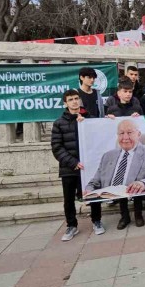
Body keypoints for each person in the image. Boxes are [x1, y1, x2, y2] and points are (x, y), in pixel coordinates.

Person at [87, 119, 145, 229]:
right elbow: (95, 180)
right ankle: (124, 217)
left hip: (138, 189)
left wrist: (143, 183)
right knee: (120, 185)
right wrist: (88, 189)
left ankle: (138, 215)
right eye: (121, 133)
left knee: (134, 183)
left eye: (129, 133)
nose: (125, 137)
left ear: (138, 134)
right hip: (115, 191)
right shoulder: (108, 155)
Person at [51, 90, 98, 241]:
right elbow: (57, 147)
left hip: (88, 167)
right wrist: (73, 163)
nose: (74, 102)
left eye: (76, 99)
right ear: (65, 103)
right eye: (70, 99)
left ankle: (97, 221)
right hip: (69, 168)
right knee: (69, 199)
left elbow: (98, 138)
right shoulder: (59, 123)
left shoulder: (89, 119)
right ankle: (71, 225)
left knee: (93, 195)